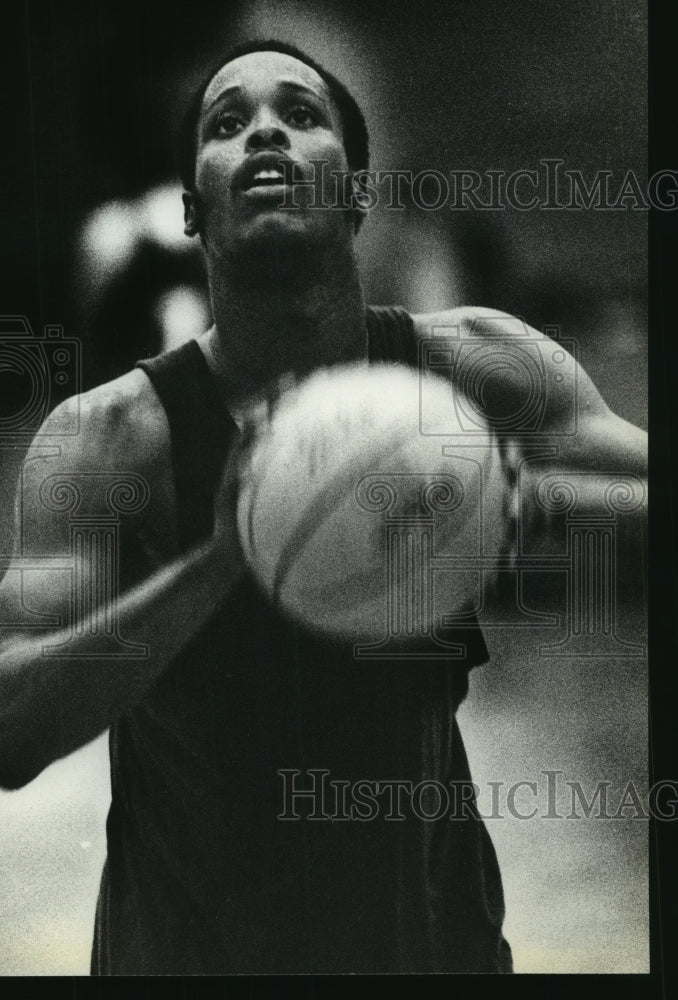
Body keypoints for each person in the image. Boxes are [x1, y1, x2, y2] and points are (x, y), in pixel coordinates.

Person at [0, 41, 646, 975]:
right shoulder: (107, 440)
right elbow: (10, 730)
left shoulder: (475, 370)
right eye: (228, 124)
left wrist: (522, 502)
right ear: (192, 209)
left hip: (436, 948)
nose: (264, 129)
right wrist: (225, 558)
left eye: (301, 115)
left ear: (356, 194)